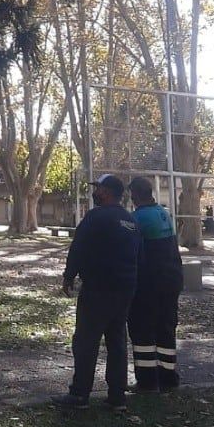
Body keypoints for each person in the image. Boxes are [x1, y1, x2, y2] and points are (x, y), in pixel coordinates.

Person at [52, 174, 141, 413]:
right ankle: (117, 397)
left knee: (86, 342)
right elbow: (138, 254)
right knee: (117, 342)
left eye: (98, 189)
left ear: (107, 191)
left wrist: (69, 276)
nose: (95, 192)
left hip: (98, 289)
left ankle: (80, 394)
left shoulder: (95, 217)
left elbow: (78, 247)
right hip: (125, 290)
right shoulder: (130, 220)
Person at [127, 175, 183, 391]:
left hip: (148, 284)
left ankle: (147, 380)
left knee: (142, 331)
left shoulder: (137, 219)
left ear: (134, 195)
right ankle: (168, 377)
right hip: (171, 281)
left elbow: (133, 252)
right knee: (166, 328)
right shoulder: (164, 213)